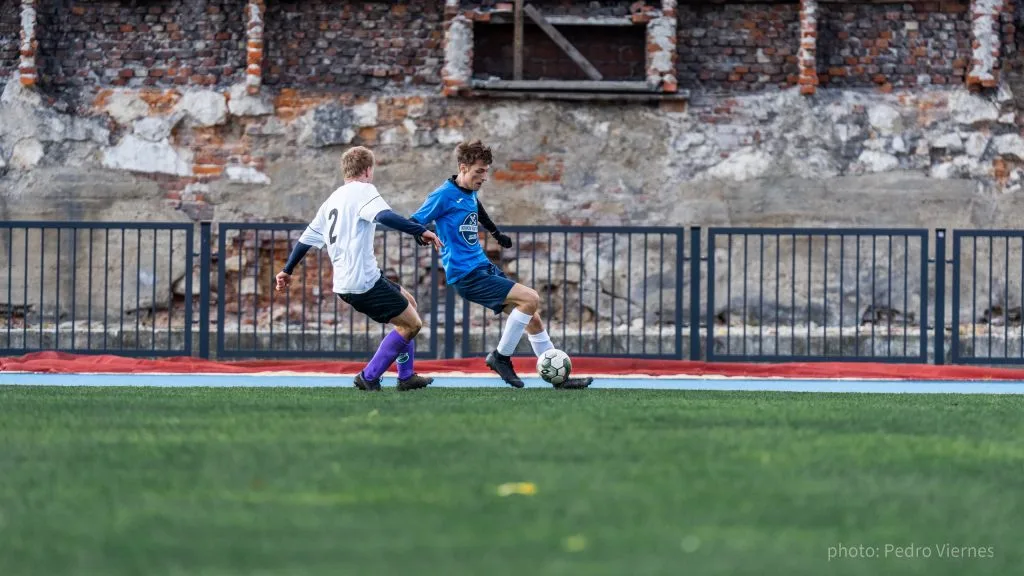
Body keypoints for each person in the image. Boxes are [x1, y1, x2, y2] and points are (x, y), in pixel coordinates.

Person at [410, 140, 593, 389]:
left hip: (481, 267)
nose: (484, 177)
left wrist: (496, 234)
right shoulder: (443, 195)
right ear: (463, 167)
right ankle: (500, 357)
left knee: (533, 319)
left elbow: (479, 210)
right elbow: (415, 220)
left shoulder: (468, 191)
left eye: (486, 171)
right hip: (466, 274)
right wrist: (423, 235)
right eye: (479, 171)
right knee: (531, 298)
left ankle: (559, 379)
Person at [275, 146, 442, 392]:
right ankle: (369, 376)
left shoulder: (332, 199)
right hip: (363, 283)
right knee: (412, 325)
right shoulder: (364, 190)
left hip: (351, 282)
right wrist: (421, 230)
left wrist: (287, 270)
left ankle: (406, 377)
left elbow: (306, 239)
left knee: (410, 303)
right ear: (367, 170)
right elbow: (384, 216)